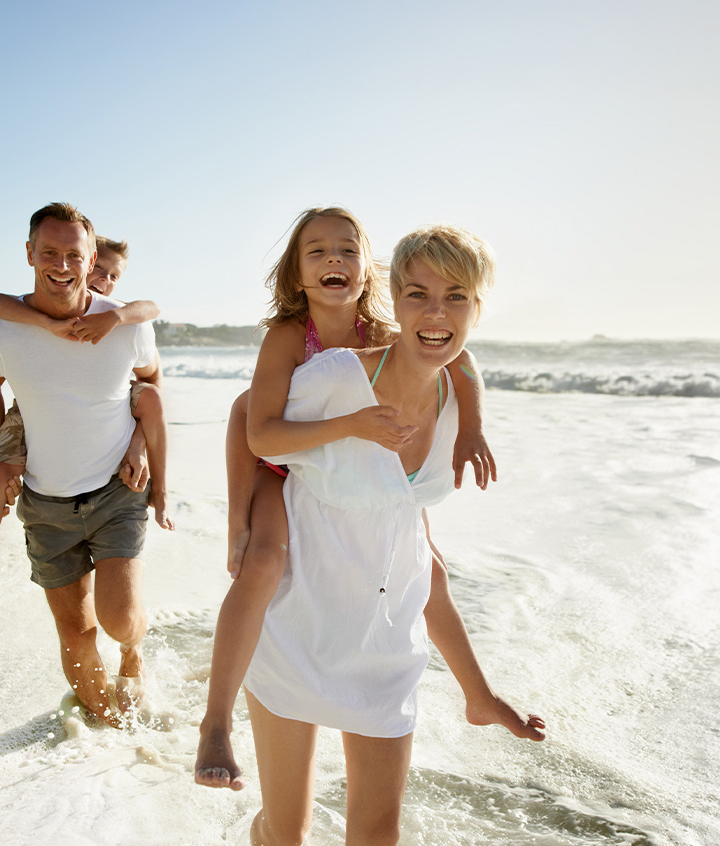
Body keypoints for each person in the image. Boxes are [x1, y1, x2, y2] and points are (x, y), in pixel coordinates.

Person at [239, 224, 545, 846]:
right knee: (288, 830)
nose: (436, 313)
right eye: (418, 294)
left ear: (477, 309)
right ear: (395, 299)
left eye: (456, 297)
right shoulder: (337, 376)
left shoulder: (459, 399)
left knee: (376, 838)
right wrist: (242, 531)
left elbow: (421, 558)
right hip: (300, 631)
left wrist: (480, 692)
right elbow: (254, 431)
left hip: (386, 646)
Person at [195, 208, 541, 790]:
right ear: (296, 276)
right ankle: (215, 721)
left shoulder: (383, 333)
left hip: (360, 467)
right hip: (278, 467)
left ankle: (477, 695)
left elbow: (462, 363)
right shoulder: (288, 337)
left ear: (366, 270)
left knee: (430, 569)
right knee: (262, 562)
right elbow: (248, 425)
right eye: (318, 252)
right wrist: (237, 519)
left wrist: (473, 428)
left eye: (348, 250)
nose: (335, 259)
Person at [0, 202, 161, 726]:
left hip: (115, 490)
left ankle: (132, 652)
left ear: (90, 257)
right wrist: (2, 460)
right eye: (48, 252)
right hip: (45, 503)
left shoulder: (123, 325)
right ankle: (106, 732)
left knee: (119, 621)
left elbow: (152, 386)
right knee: (75, 634)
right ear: (29, 253)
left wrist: (141, 444)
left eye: (73, 254)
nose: (61, 264)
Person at [0, 237, 173, 613]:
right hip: (38, 434)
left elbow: (152, 310)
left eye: (113, 276)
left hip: (112, 435)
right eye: (99, 271)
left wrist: (115, 317)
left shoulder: (121, 320)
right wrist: (45, 322)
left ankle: (162, 494)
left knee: (120, 616)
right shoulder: (12, 322)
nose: (104, 281)